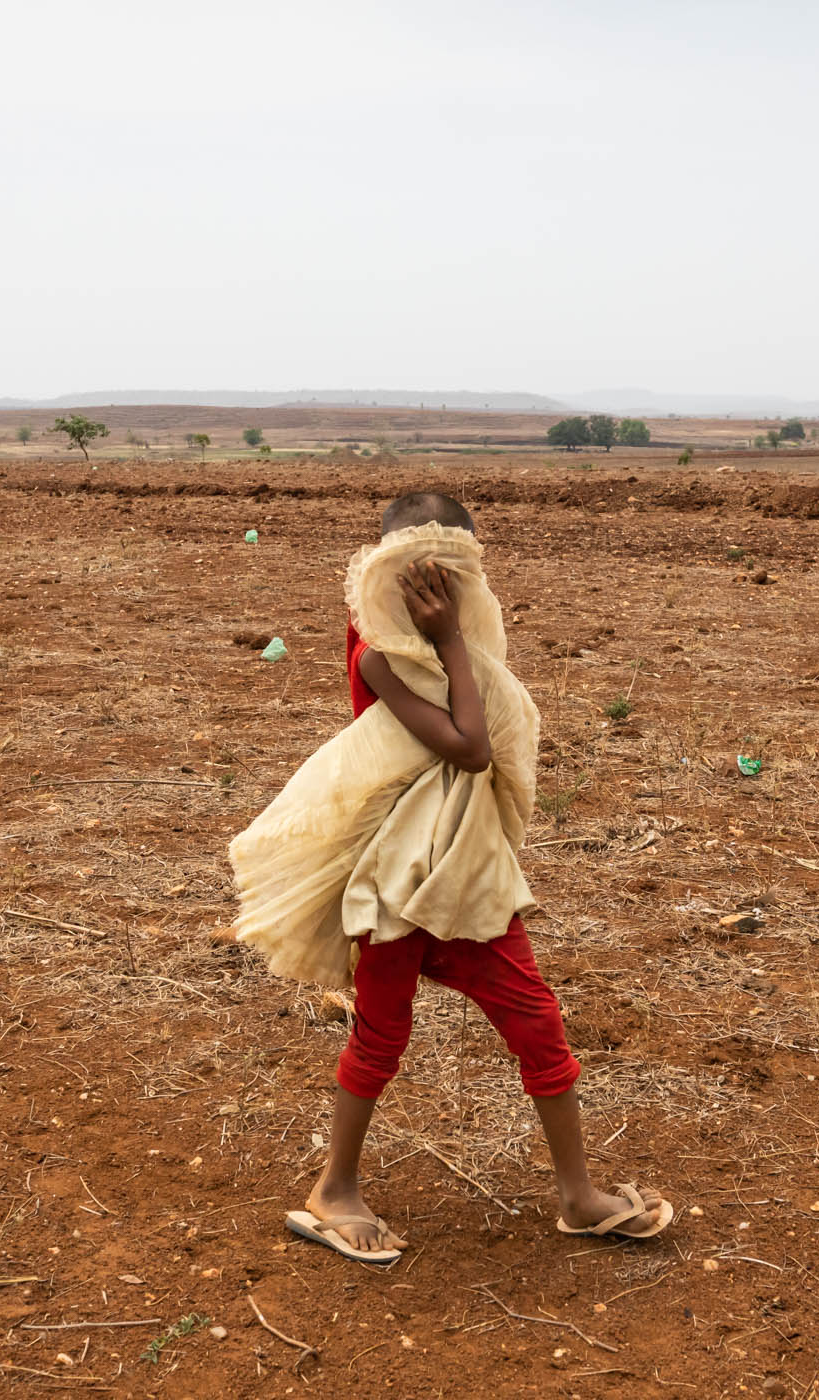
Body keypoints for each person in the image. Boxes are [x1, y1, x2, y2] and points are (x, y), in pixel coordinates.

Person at [230, 491, 670, 1263]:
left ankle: (578, 1196)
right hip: (398, 883)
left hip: (463, 875)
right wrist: (451, 640)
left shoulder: (439, 646)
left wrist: (452, 641)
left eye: (449, 578)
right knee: (381, 1033)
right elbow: (470, 747)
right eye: (417, 577)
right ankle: (334, 1192)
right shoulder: (381, 653)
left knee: (536, 1020)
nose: (434, 593)